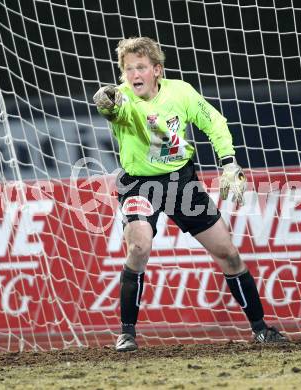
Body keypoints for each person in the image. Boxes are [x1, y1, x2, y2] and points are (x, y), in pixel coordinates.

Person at [93, 36, 287, 352]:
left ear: (156, 70)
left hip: (182, 184)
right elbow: (116, 110)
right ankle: (127, 333)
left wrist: (228, 162)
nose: (134, 74)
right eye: (128, 69)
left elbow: (213, 121)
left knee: (228, 253)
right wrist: (109, 104)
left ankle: (260, 328)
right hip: (140, 185)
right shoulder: (123, 98)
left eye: (140, 67)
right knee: (139, 246)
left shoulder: (180, 92)